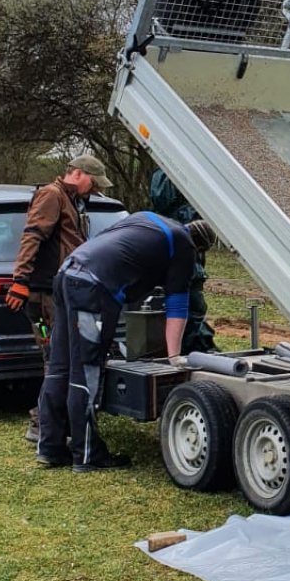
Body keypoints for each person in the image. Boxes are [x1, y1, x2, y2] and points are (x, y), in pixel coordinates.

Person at [34, 212, 216, 472]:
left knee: (59, 366)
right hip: (93, 288)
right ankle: (86, 454)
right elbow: (177, 306)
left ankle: (50, 448)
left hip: (68, 272)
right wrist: (175, 357)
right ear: (200, 248)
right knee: (86, 370)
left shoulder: (148, 218)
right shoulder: (184, 245)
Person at [5, 153, 113, 443]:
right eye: (93, 183)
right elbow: (32, 236)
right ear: (78, 174)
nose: (94, 190)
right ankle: (42, 423)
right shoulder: (51, 195)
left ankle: (52, 422)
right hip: (44, 296)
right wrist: (20, 281)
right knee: (54, 355)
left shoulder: (73, 201)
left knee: (58, 354)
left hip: (60, 292)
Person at [149, 168, 218, 355]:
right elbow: (161, 198)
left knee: (193, 309)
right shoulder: (168, 175)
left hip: (190, 259)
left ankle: (196, 347)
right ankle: (196, 349)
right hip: (184, 258)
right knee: (191, 309)